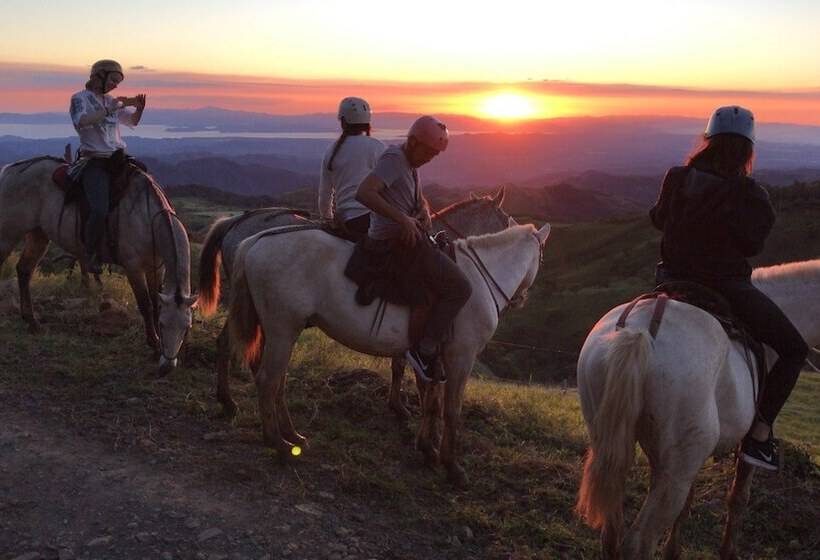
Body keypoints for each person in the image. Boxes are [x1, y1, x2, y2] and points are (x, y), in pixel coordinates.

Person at [650, 105, 809, 471]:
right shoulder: (752, 196)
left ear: (708, 140)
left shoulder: (677, 177)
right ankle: (759, 437)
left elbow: (658, 219)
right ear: (747, 150)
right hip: (727, 290)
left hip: (669, 283)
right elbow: (753, 246)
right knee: (794, 349)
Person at [355, 115, 472, 383]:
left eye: (434, 154)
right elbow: (364, 192)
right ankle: (424, 349)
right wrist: (402, 219)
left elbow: (415, 198)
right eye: (429, 152)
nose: (431, 158)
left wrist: (423, 210)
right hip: (391, 243)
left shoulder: (410, 163)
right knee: (461, 288)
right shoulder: (395, 159)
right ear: (413, 141)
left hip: (408, 238)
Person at [69, 59, 146, 273]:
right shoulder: (79, 99)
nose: (115, 85)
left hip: (117, 159)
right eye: (112, 80)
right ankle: (89, 252)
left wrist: (139, 109)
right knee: (99, 208)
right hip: (95, 161)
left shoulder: (111, 100)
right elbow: (82, 121)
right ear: (99, 76)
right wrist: (110, 108)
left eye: (117, 82)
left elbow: (132, 122)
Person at [318, 97, 385, 239]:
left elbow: (325, 196)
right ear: (367, 122)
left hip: (347, 222)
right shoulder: (378, 147)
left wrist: (327, 218)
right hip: (374, 219)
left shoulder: (331, 152)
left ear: (343, 122)